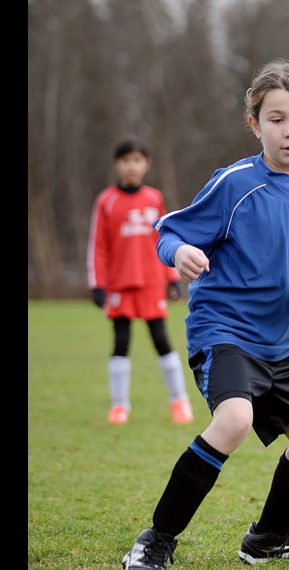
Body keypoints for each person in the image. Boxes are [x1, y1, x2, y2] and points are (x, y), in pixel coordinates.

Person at [121, 59, 289, 570]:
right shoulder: (235, 184)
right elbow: (169, 232)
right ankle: (155, 540)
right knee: (233, 420)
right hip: (224, 331)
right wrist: (182, 252)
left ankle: (268, 539)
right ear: (255, 124)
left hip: (280, 347)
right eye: (277, 119)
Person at [87, 137, 194, 426]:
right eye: (125, 160)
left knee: (162, 340)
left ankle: (179, 402)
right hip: (121, 285)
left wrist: (172, 278)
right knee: (121, 342)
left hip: (151, 283)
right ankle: (119, 407)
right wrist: (98, 284)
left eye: (137, 160)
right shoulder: (106, 201)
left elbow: (165, 238)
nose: (131, 166)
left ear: (146, 165)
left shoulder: (154, 198)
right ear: (116, 165)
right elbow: (98, 245)